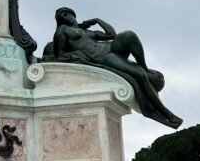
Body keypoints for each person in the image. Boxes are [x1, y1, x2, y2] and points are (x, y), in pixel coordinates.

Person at [51, 7, 182, 128]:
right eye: (61, 15)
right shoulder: (62, 30)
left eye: (66, 13)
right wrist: (78, 56)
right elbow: (60, 54)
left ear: (73, 15)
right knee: (139, 74)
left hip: (111, 48)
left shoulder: (87, 31)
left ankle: (145, 67)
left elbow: (111, 35)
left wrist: (97, 20)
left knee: (129, 35)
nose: (64, 16)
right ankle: (167, 114)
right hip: (105, 57)